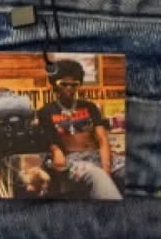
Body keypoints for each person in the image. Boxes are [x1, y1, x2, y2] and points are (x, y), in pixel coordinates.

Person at [34, 59, 122, 199]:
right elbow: (48, 139)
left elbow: (102, 139)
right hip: (74, 161)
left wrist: (107, 168)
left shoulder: (90, 107)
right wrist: (55, 150)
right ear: (55, 84)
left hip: (98, 155)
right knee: (96, 174)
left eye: (74, 84)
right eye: (64, 84)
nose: (69, 88)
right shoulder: (46, 111)